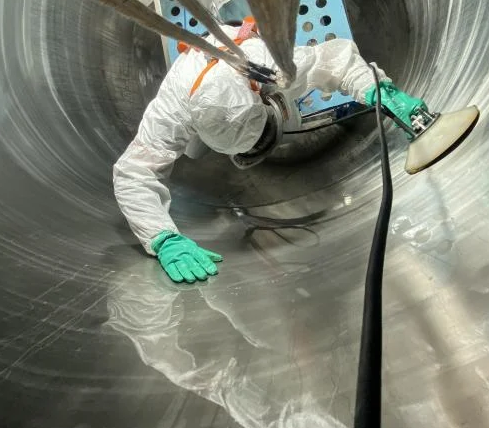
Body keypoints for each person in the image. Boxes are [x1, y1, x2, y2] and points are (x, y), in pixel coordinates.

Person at [114, 19, 425, 283]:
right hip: (195, 95)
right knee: (192, 152)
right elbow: (133, 173)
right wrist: (163, 237)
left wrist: (379, 91)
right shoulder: (170, 113)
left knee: (291, 107)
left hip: (238, 65)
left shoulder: (265, 65)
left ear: (259, 94)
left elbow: (335, 62)